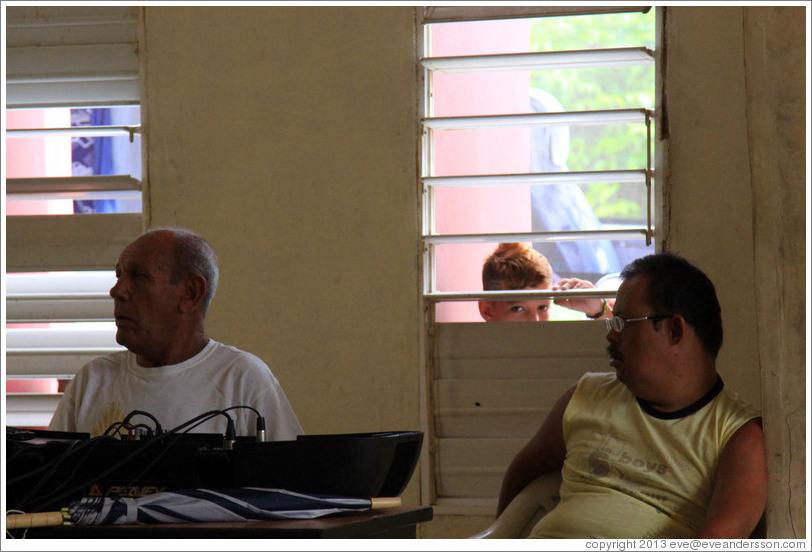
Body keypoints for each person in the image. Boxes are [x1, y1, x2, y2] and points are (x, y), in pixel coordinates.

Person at [495, 252, 767, 538]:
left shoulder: (738, 437)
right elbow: (523, 472)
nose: (611, 335)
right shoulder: (586, 395)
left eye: (625, 322)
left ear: (675, 330)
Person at [48, 227, 303, 441]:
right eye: (118, 275)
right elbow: (47, 488)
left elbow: (290, 493)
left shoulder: (242, 380)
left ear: (190, 292)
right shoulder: (91, 382)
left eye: (137, 276)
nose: (117, 290)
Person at [478, 242, 611, 322]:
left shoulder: (552, 347)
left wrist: (598, 309)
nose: (535, 320)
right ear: (487, 310)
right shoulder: (469, 358)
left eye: (542, 308)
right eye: (517, 308)